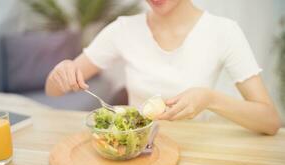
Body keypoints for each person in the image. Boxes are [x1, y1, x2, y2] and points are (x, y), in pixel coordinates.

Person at [45, 0, 281, 135]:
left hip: (196, 156)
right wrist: (61, 73)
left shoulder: (224, 32)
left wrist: (209, 99)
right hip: (136, 152)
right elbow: (53, 91)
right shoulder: (123, 29)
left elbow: (270, 121)